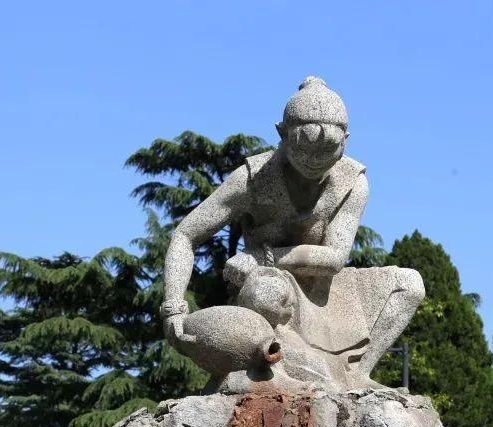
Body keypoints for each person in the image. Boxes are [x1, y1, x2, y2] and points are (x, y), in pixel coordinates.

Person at [161, 77, 424, 389]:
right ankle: (272, 364)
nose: (314, 160)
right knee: (266, 292)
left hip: (326, 286)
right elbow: (185, 235)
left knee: (409, 285)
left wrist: (259, 257)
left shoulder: (353, 181)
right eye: (302, 148)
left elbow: (334, 258)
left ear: (345, 140)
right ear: (282, 134)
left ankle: (357, 376)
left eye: (328, 149)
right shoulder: (254, 179)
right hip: (270, 283)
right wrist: (173, 307)